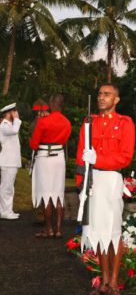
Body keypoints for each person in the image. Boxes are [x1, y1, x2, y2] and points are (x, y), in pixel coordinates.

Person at [76, 84, 135, 294]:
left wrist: (98, 159)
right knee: (98, 230)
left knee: (113, 231)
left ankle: (114, 283)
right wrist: (80, 183)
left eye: (107, 94)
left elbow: (126, 156)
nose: (102, 97)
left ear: (116, 100)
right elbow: (80, 153)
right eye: (100, 94)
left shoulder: (124, 123)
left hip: (111, 179)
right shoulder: (89, 122)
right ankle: (104, 281)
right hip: (92, 180)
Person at [29, 94, 72, 238]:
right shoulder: (67, 122)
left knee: (46, 194)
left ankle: (48, 229)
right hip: (59, 158)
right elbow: (64, 141)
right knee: (58, 194)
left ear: (52, 103)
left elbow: (34, 144)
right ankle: (58, 230)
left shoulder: (43, 121)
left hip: (44, 158)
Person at [0, 103, 21, 220]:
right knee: (6, 187)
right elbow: (14, 131)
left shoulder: (9, 125)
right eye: (13, 112)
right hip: (8, 162)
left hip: (11, 161)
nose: (15, 113)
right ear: (8, 113)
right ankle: (5, 212)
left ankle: (7, 210)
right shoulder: (4, 125)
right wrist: (17, 119)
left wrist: (15, 120)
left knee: (9, 187)